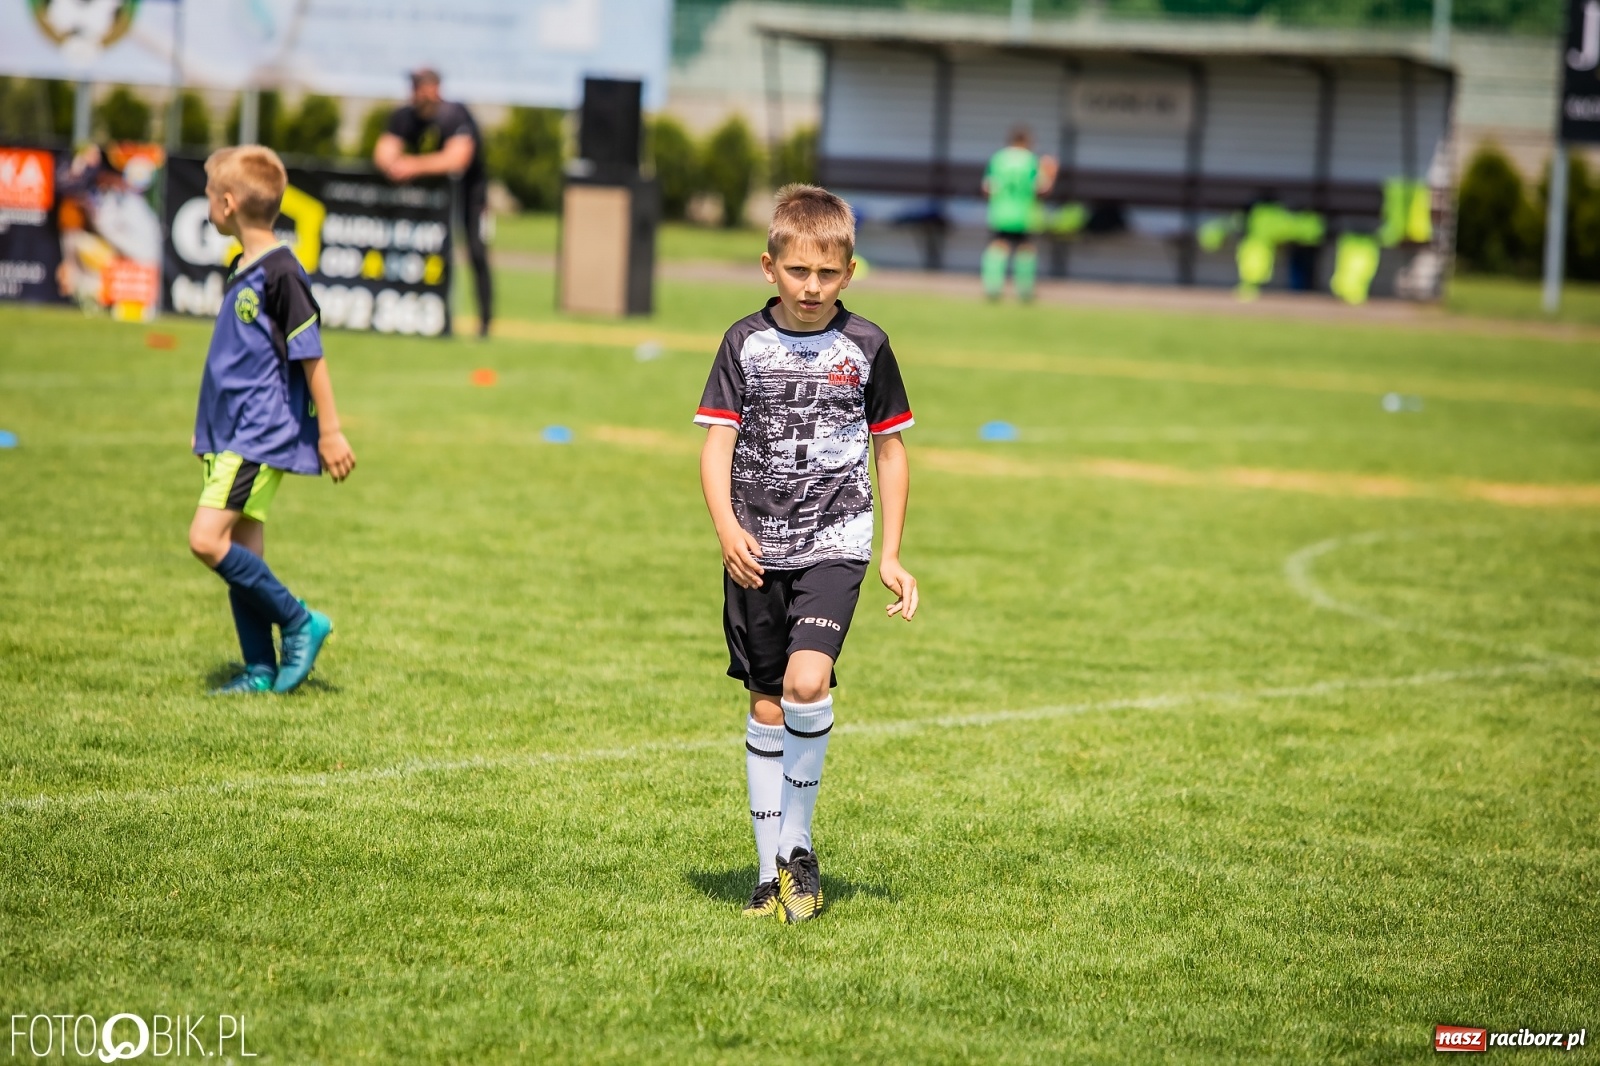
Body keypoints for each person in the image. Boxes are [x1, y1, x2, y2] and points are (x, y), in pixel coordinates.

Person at [694, 184, 920, 923]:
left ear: (848, 273)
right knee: (764, 701)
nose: (812, 288)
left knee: (805, 682)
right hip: (757, 546)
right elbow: (717, 443)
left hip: (835, 541)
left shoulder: (868, 347)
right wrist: (728, 528)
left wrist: (889, 552)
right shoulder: (742, 343)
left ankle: (798, 848)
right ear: (770, 267)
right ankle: (768, 879)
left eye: (828, 275)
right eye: (798, 272)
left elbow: (890, 450)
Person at [189, 145, 355, 695]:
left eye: (211, 197)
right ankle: (259, 670)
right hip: (229, 432)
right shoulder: (241, 265)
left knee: (207, 541)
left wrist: (330, 431)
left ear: (229, 203)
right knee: (243, 552)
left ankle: (302, 620)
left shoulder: (282, 272)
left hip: (257, 435)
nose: (208, 205)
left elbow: (312, 355)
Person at [373, 68, 493, 337]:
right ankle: (419, 316)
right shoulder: (404, 116)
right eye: (414, 85)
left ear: (435, 88)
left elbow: (458, 158)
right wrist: (393, 164)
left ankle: (485, 321)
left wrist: (413, 166)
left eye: (421, 86)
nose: (416, 92)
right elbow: (383, 151)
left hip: (469, 198)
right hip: (428, 204)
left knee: (476, 252)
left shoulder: (454, 115)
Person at [980, 126, 1058, 302]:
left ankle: (992, 287)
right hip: (1024, 213)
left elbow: (987, 188)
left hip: (1001, 211)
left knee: (998, 246)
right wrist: (1051, 174)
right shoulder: (1031, 161)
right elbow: (1042, 189)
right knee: (1025, 249)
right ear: (1027, 142)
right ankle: (1024, 290)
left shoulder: (998, 159)